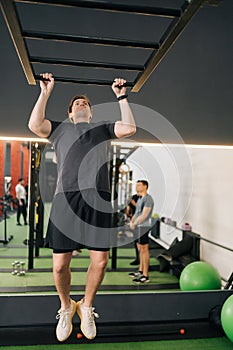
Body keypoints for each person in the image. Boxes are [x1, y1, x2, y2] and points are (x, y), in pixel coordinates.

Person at [28, 72, 136, 342]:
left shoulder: (101, 129)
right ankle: (66, 307)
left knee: (100, 261)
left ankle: (86, 306)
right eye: (76, 104)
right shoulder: (60, 128)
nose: (81, 105)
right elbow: (34, 125)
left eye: (84, 104)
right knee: (59, 266)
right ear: (69, 112)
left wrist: (121, 96)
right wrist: (45, 92)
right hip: (66, 198)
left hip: (98, 199)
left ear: (90, 111)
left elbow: (129, 128)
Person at [129, 180, 154, 283]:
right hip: (137, 226)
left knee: (144, 249)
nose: (137, 187)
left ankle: (145, 275)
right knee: (140, 248)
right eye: (137, 185)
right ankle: (140, 270)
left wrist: (135, 223)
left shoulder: (148, 199)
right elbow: (136, 213)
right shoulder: (140, 199)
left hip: (143, 226)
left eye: (139, 185)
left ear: (145, 186)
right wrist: (132, 221)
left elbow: (144, 215)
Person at [125, 193, 140, 265]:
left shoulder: (144, 199)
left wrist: (134, 203)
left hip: (141, 224)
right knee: (136, 242)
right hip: (134, 223)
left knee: (142, 245)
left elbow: (140, 209)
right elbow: (128, 211)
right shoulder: (134, 197)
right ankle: (138, 259)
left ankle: (143, 263)